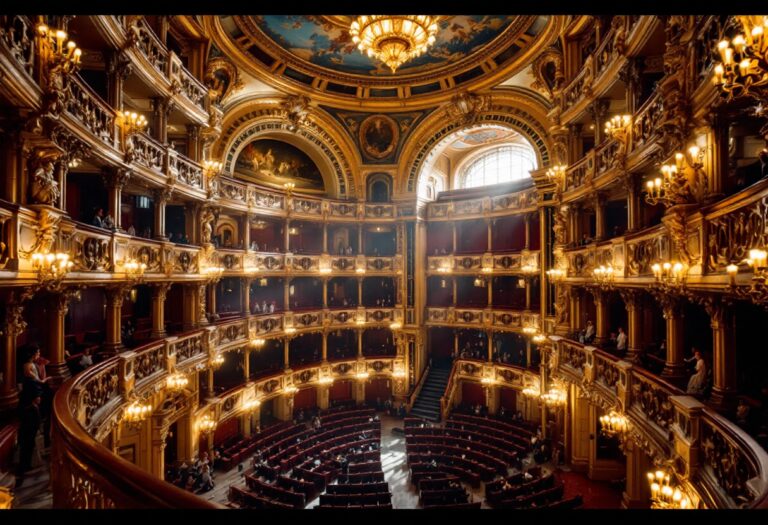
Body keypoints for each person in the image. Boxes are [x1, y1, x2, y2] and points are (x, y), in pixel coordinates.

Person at [15, 389, 42, 488]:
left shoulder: (33, 407)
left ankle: (27, 466)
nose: (40, 399)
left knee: (28, 452)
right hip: (27, 435)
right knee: (24, 453)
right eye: (38, 397)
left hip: (30, 435)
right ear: (34, 399)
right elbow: (30, 424)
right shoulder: (30, 409)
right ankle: (20, 474)